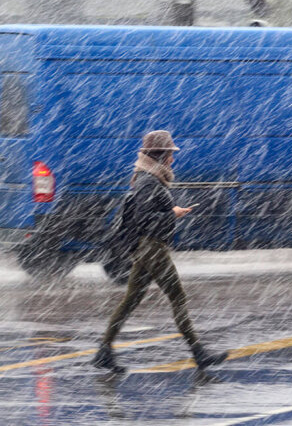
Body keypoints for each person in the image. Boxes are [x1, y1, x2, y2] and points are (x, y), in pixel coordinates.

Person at [91, 130, 229, 373]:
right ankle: (199, 353)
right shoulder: (148, 181)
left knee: (131, 300)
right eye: (170, 154)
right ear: (162, 156)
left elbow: (146, 214)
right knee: (178, 297)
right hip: (152, 248)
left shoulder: (149, 178)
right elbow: (144, 219)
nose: (173, 159)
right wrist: (171, 214)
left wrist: (170, 210)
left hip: (148, 248)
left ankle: (104, 351)